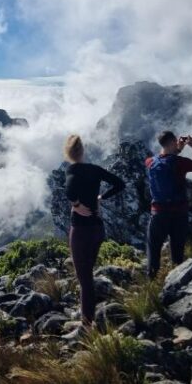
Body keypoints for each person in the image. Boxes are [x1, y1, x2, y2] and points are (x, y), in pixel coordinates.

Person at [63, 134, 126, 327]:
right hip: (97, 228)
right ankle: (89, 314)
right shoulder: (95, 170)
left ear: (68, 152)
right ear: (83, 151)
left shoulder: (72, 170)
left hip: (80, 230)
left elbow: (68, 189)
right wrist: (100, 197)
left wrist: (76, 204)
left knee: (85, 279)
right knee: (88, 272)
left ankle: (87, 324)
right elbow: (120, 183)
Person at [144, 131, 192, 278]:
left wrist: (176, 149)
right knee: (177, 254)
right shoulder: (181, 162)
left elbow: (165, 158)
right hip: (179, 214)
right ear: (173, 141)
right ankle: (178, 284)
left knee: (153, 251)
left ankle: (151, 286)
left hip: (158, 214)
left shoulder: (149, 162)